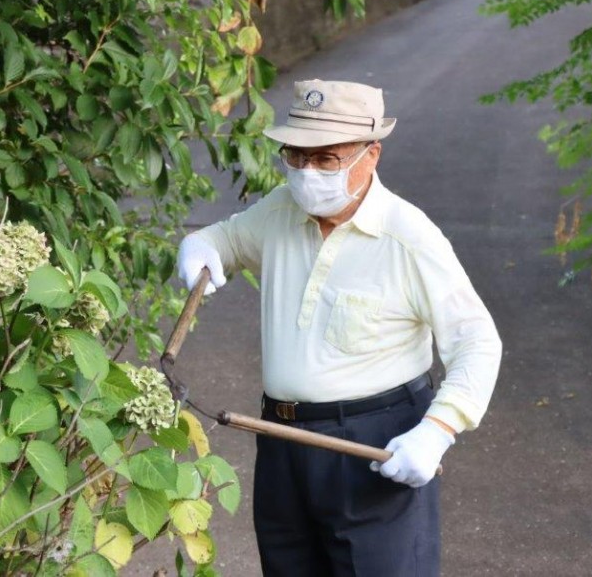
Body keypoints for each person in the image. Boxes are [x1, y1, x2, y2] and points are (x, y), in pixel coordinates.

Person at [176, 78, 502, 576]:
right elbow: (227, 239)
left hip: (372, 444)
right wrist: (200, 247)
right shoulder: (281, 211)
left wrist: (437, 430)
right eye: (296, 156)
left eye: (327, 159)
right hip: (280, 438)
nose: (307, 173)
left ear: (371, 155)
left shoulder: (408, 237)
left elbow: (477, 341)